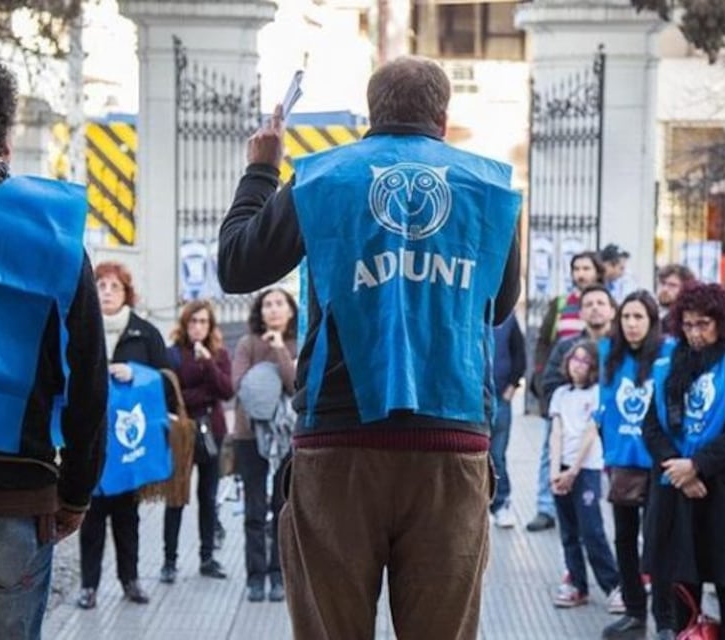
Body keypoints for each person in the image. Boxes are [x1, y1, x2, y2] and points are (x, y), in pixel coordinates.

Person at [218, 55, 521, 639]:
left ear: (370, 111)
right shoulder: (490, 187)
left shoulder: (320, 179)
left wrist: (261, 170)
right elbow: (499, 306)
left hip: (338, 442)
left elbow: (236, 264)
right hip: (450, 440)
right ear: (443, 115)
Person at [0, 48, 107, 639]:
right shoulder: (50, 228)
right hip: (11, 497)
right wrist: (77, 489)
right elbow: (89, 373)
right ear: (5, 135)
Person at [642, 282, 725, 640]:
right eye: (689, 324)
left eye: (703, 324)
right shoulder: (670, 362)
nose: (695, 333)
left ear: (721, 322)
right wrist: (679, 469)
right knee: (682, 573)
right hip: (677, 481)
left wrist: (697, 466)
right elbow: (652, 426)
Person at [77, 261, 170, 609]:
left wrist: (135, 372)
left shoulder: (144, 332)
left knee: (128, 519)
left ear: (126, 293)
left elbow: (166, 378)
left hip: (132, 446)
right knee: (91, 519)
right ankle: (88, 585)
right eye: (100, 286)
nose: (107, 293)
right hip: (93, 442)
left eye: (114, 287)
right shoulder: (83, 328)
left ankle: (129, 580)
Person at [598, 290, 675, 639]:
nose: (631, 324)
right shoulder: (609, 353)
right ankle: (634, 611)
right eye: (626, 317)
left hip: (657, 463)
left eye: (638, 317)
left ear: (652, 321)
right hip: (622, 462)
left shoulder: (668, 354)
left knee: (658, 543)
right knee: (625, 540)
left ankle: (665, 619)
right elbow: (604, 406)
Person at [527, 284, 617, 534]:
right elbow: (551, 380)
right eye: (588, 304)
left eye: (600, 303)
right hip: (573, 425)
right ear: (580, 313)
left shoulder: (621, 345)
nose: (595, 309)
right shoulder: (567, 346)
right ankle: (548, 509)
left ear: (612, 310)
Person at [231, 286, 299, 603]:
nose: (272, 310)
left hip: (287, 438)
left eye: (279, 304)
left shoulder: (298, 343)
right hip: (249, 437)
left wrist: (281, 352)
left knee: (283, 508)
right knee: (255, 509)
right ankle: (255, 577)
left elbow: (295, 385)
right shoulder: (246, 343)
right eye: (267, 304)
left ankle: (279, 575)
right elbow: (240, 385)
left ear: (290, 311)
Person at [161, 300, 235, 584]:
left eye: (203, 322)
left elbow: (227, 391)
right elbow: (172, 394)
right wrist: (205, 394)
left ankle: (207, 557)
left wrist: (207, 364)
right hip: (183, 432)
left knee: (208, 496)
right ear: (185, 324)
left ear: (211, 326)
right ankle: (169, 560)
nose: (198, 327)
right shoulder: (173, 355)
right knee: (176, 495)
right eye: (193, 322)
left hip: (212, 432)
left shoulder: (218, 354)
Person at [548, 340, 622, 611]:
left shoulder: (598, 394)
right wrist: (556, 472)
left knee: (592, 531)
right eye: (574, 359)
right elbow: (556, 433)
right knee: (568, 532)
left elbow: (591, 433)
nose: (578, 365)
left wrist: (573, 471)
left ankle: (613, 585)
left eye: (584, 361)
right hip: (563, 468)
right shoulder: (560, 395)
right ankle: (576, 584)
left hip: (587, 469)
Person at [531, 250, 605, 402]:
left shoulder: (607, 305)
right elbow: (544, 341)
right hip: (563, 384)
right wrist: (541, 374)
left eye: (586, 269)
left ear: (597, 272)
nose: (580, 274)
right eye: (576, 269)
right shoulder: (561, 304)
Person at [489, 311, 526, 528]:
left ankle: (501, 504)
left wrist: (512, 387)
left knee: (497, 455)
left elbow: (519, 355)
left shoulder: (508, 318)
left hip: (501, 397)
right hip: (472, 400)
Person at [655, 263, 696, 328]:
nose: (665, 289)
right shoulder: (652, 312)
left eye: (672, 285)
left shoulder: (686, 319)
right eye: (662, 283)